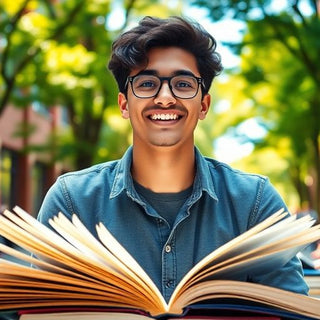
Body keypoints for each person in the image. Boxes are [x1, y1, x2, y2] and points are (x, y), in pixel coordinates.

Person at [37, 16, 309, 302]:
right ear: (124, 105)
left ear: (203, 105)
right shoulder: (71, 202)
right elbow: (42, 310)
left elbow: (289, 311)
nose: (165, 97)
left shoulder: (255, 203)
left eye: (182, 83)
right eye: (146, 83)